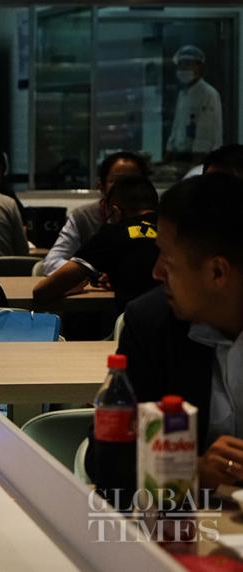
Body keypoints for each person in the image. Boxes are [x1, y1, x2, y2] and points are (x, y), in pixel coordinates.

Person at [86, 173, 243, 491]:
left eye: (167, 261)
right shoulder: (151, 324)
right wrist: (192, 470)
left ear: (217, 272)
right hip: (194, 515)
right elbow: (106, 459)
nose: (156, 272)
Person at [33, 175, 159, 311]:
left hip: (137, 321)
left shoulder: (112, 233)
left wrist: (74, 286)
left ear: (115, 212)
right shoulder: (172, 229)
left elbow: (41, 291)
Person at [42, 151, 148, 275]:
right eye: (117, 181)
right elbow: (51, 263)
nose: (126, 187)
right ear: (101, 187)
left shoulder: (158, 217)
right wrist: (95, 274)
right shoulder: (83, 217)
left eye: (133, 181)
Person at [166, 45, 222, 163]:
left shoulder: (208, 93)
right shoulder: (183, 94)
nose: (183, 68)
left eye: (187, 64)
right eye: (180, 64)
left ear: (199, 67)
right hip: (181, 156)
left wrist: (197, 162)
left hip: (201, 157)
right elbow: (177, 125)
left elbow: (205, 132)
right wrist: (169, 152)